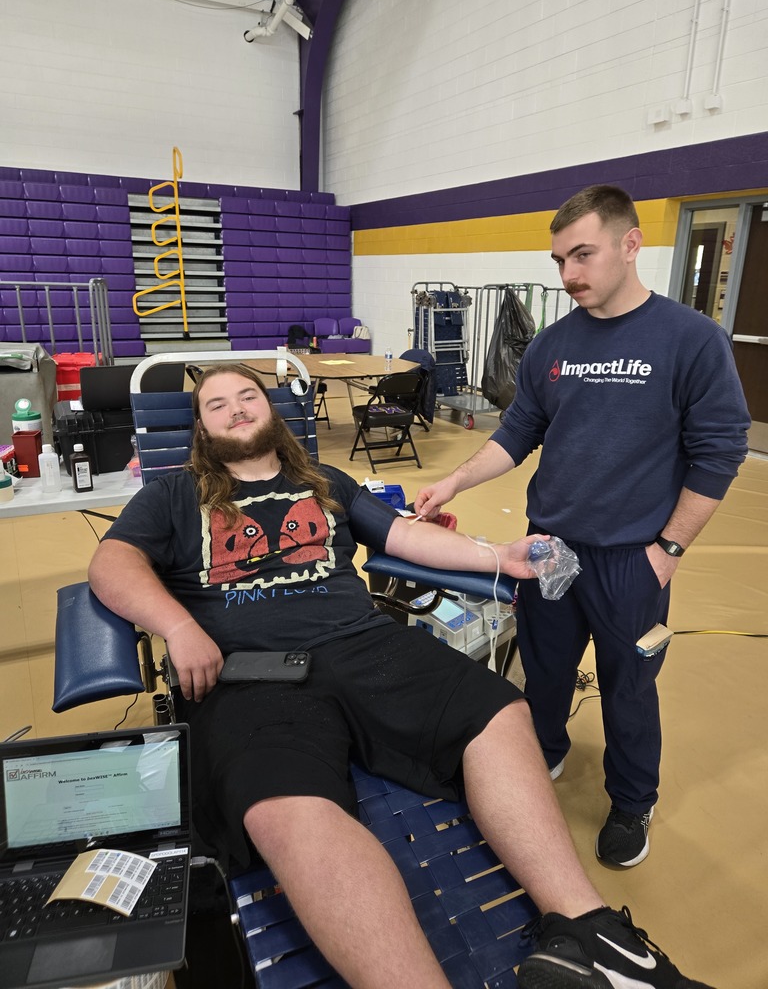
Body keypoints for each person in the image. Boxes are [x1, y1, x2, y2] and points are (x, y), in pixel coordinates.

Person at [88, 363, 715, 989]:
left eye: (247, 395)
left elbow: (404, 538)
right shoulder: (173, 495)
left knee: (500, 711)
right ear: (201, 428)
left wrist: (498, 555)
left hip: (365, 644)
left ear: (271, 409)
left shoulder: (324, 481)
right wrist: (178, 626)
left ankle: (585, 931)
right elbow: (111, 564)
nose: (236, 408)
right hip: (251, 672)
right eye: (217, 404)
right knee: (285, 808)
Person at [416, 184, 750, 870]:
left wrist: (668, 549)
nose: (568, 274)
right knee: (544, 669)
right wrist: (454, 481)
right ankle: (544, 751)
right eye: (559, 260)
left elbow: (720, 453)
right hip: (550, 550)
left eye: (582, 255)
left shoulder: (692, 340)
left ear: (631, 244)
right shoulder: (552, 345)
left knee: (629, 687)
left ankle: (631, 801)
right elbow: (519, 431)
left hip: (634, 559)